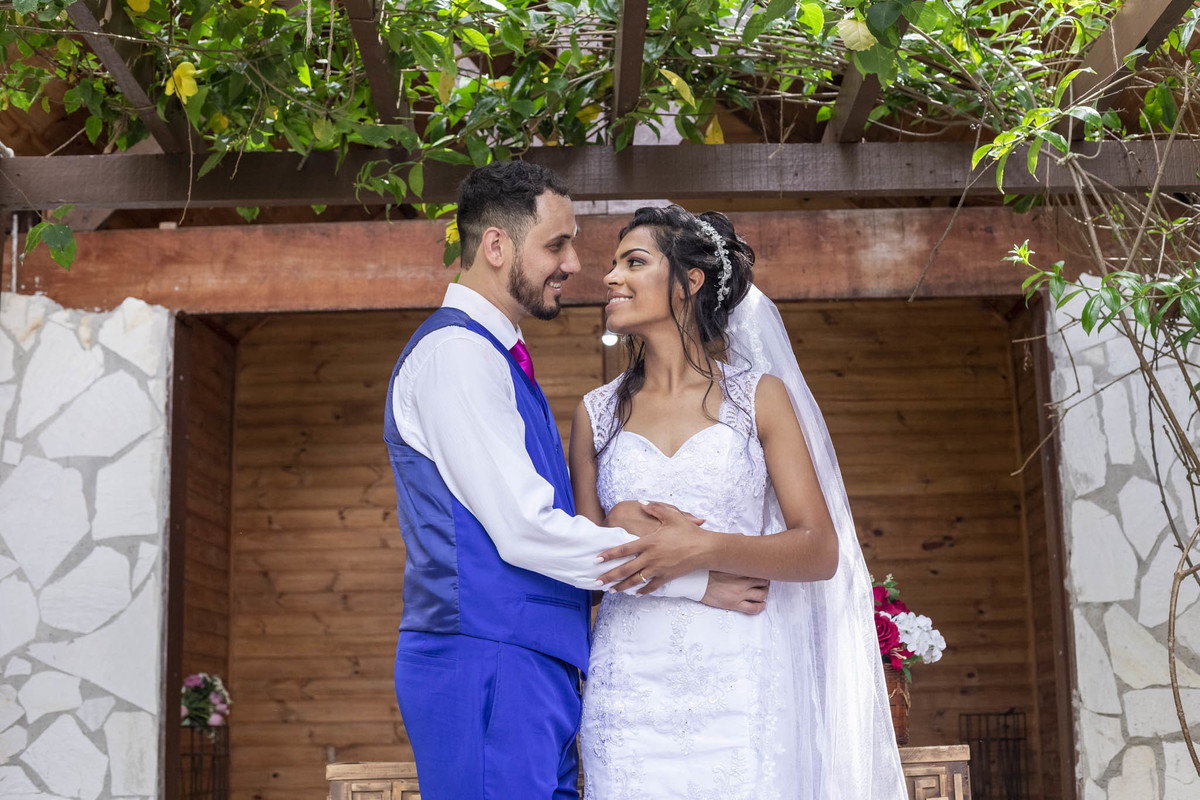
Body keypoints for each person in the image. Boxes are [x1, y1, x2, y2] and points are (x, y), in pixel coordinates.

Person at [383, 163, 765, 800]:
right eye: (556, 244)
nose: (575, 264)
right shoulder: (457, 355)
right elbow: (525, 531)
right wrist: (694, 574)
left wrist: (617, 527)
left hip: (531, 664)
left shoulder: (491, 356)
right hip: (488, 659)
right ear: (497, 246)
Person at [571, 206, 907, 799]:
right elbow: (587, 562)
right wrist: (624, 530)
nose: (610, 278)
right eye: (613, 265)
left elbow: (819, 549)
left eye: (634, 262)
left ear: (689, 282)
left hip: (741, 674)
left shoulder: (759, 397)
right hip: (630, 683)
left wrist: (698, 547)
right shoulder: (595, 414)